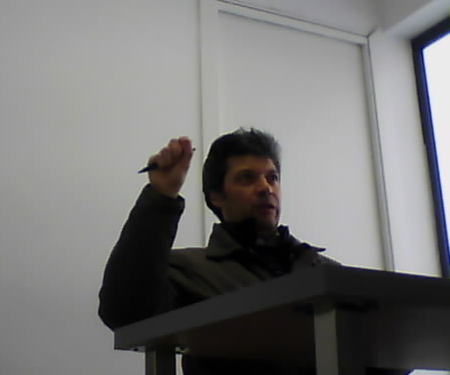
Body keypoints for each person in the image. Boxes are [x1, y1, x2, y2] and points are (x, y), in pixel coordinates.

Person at [98, 128, 408, 375]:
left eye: (272, 177)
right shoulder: (190, 270)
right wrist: (161, 195)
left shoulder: (325, 273)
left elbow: (388, 355)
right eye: (247, 178)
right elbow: (124, 311)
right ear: (217, 196)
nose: (265, 187)